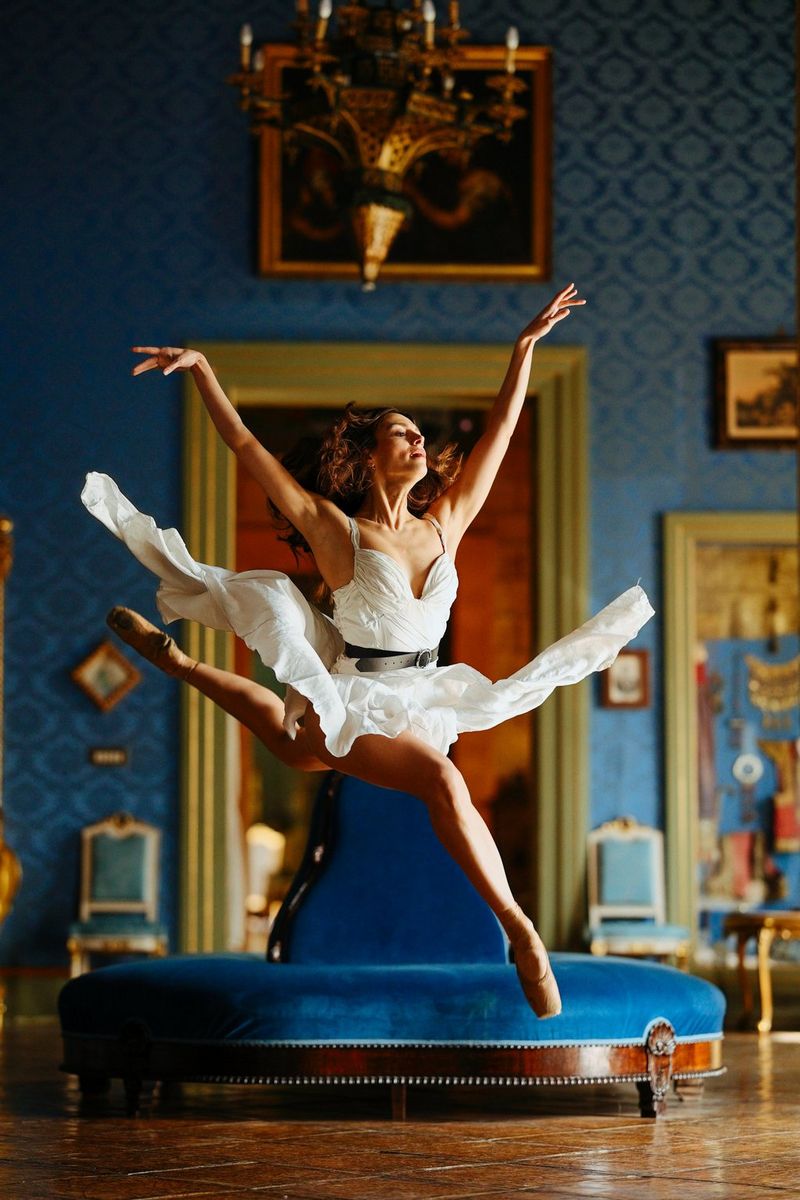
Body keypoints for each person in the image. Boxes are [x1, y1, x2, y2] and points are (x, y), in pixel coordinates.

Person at [82, 283, 654, 1019]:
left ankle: (182, 664)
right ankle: (521, 931)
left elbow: (500, 436)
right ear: (368, 454)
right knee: (433, 782)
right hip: (355, 693)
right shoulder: (335, 531)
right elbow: (247, 448)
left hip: (424, 696)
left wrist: (524, 350)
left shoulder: (444, 523)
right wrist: (202, 372)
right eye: (401, 433)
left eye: (420, 433)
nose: (418, 440)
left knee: (291, 746)